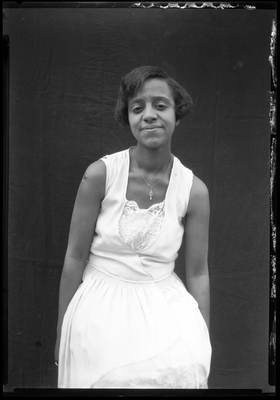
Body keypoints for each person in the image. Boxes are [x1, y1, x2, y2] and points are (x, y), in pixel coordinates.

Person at [54, 65, 212, 388]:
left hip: (164, 310)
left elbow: (198, 274)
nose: (149, 115)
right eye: (137, 108)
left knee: (183, 372)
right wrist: (62, 332)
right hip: (101, 310)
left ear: (177, 115)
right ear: (128, 118)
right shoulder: (100, 175)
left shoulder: (194, 191)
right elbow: (74, 257)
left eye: (160, 105)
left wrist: (203, 339)